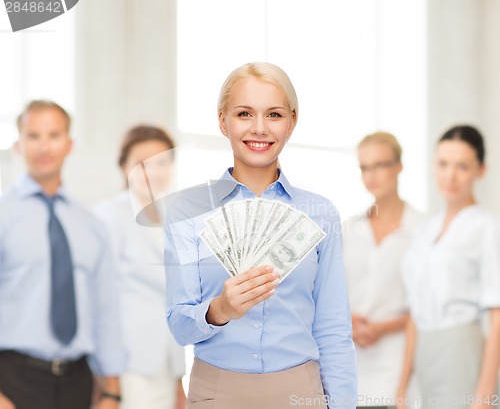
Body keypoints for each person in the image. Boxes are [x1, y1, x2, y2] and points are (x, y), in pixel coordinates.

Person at [164, 62, 357, 409]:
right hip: (216, 392)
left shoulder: (320, 214)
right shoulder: (186, 211)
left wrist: (344, 404)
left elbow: (333, 331)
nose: (259, 128)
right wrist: (218, 309)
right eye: (244, 113)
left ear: (292, 121)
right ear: (222, 120)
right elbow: (179, 325)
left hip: (301, 392)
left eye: (274, 114)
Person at [0, 100, 125, 409]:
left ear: (69, 144)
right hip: (13, 380)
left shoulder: (90, 225)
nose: (44, 146)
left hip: (78, 383)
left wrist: (112, 391)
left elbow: (105, 308)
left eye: (54, 135)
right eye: (34, 136)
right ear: (18, 144)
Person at [397, 125, 500, 409]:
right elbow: (414, 314)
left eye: (462, 166)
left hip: (463, 351)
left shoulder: (487, 228)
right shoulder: (424, 232)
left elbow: (497, 315)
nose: (450, 176)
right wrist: (402, 386)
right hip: (425, 356)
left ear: (481, 170)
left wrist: (485, 395)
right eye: (443, 164)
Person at [95, 125, 186, 409]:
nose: (153, 172)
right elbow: (99, 299)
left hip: (167, 359)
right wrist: (108, 379)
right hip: (127, 362)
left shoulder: (176, 219)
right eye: (142, 164)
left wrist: (178, 376)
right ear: (124, 168)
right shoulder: (108, 217)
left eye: (162, 162)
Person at [343, 132, 423, 408]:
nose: (371, 175)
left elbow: (425, 306)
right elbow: (329, 294)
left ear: (399, 166)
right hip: (350, 367)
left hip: (398, 368)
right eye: (365, 167)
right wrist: (349, 321)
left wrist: (383, 327)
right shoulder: (347, 229)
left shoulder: (422, 230)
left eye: (380, 165)